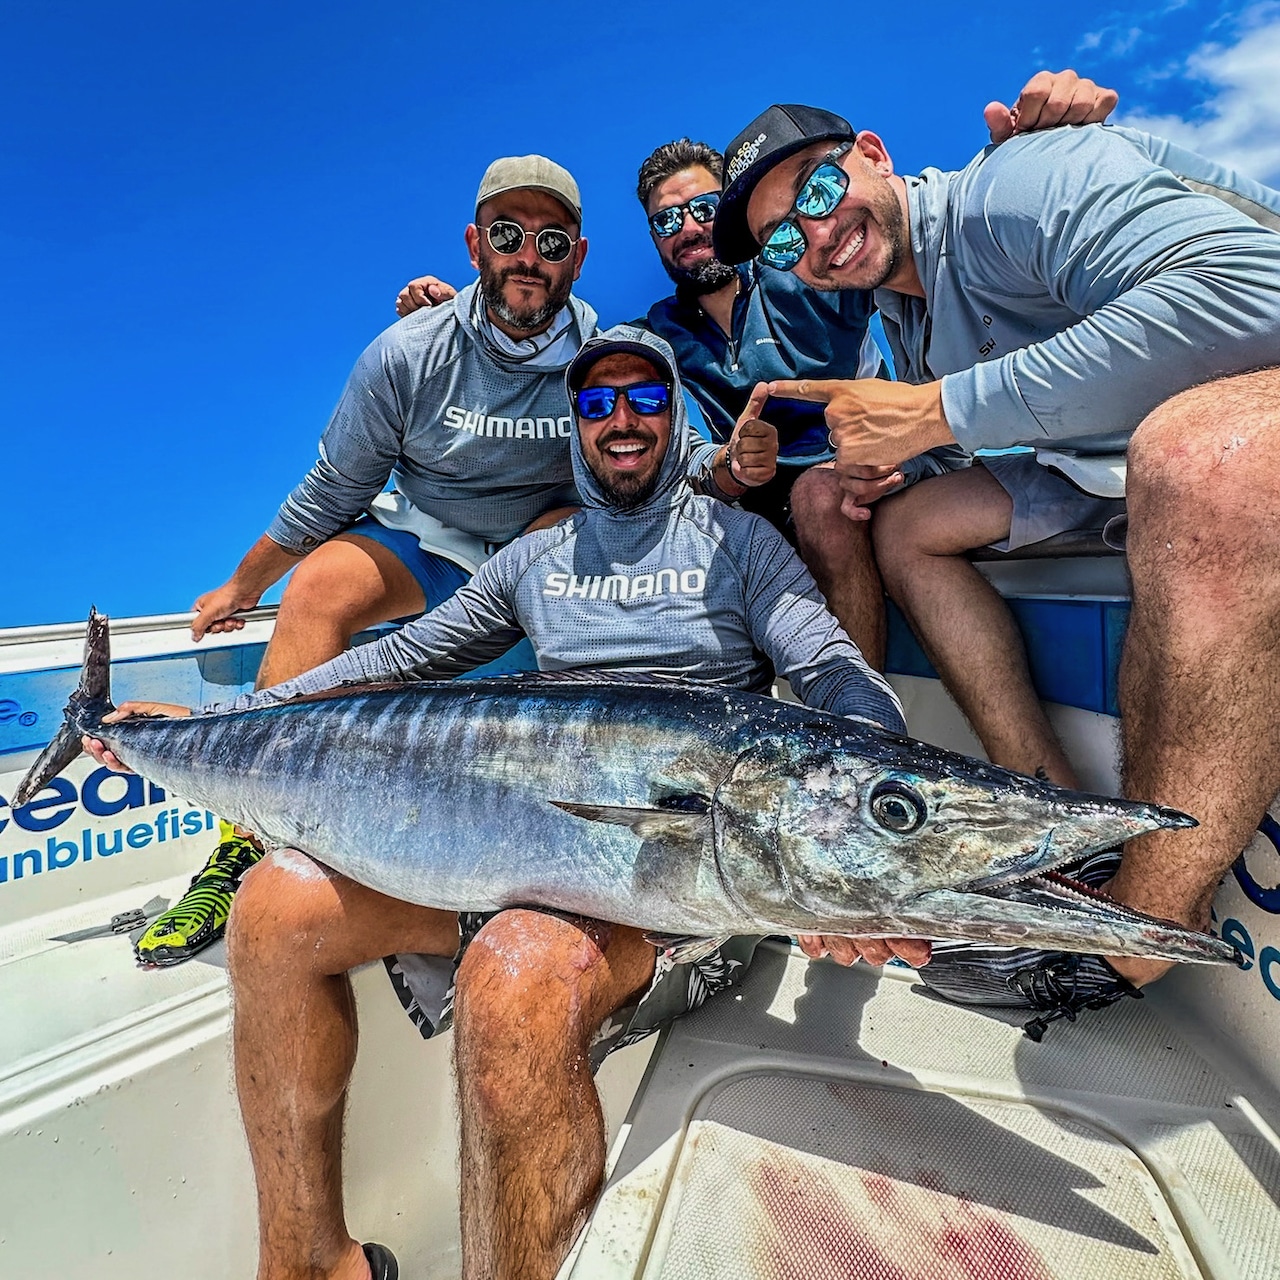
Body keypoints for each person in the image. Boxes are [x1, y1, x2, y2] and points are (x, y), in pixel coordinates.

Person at [87, 328, 909, 1280]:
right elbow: (399, 660)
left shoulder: (742, 542)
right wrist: (225, 716)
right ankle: (312, 1262)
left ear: (676, 416)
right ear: (575, 428)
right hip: (523, 852)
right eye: (598, 404)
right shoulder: (536, 561)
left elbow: (834, 674)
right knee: (271, 911)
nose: (622, 419)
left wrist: (865, 843)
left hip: (680, 892)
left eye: (645, 397)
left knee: (514, 975)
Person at [711, 102, 1280, 1014]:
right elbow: (947, 437)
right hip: (1100, 471)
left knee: (1190, 456)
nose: (817, 235)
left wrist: (936, 414)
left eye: (819, 190)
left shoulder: (1018, 184)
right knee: (906, 529)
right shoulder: (887, 332)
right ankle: (1054, 824)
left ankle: (1133, 942)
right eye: (782, 241)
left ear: (874, 152)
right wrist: (881, 471)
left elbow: (1251, 293)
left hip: (1224, 426)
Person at [396, 72, 1122, 670]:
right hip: (738, 505)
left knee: (815, 497)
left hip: (862, 486)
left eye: (704, 208)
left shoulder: (817, 268)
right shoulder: (649, 338)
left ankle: (853, 735)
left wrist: (1028, 140)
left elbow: (905, 235)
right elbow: (557, 332)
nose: (687, 228)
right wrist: (460, 314)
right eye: (665, 219)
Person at [135, 155, 609, 967]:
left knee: (566, 531)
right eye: (507, 234)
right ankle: (245, 841)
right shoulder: (405, 352)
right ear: (474, 246)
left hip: (534, 552)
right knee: (319, 583)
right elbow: (335, 486)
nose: (528, 255)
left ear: (579, 254)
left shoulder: (602, 361)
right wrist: (244, 585)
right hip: (425, 539)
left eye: (551, 238)